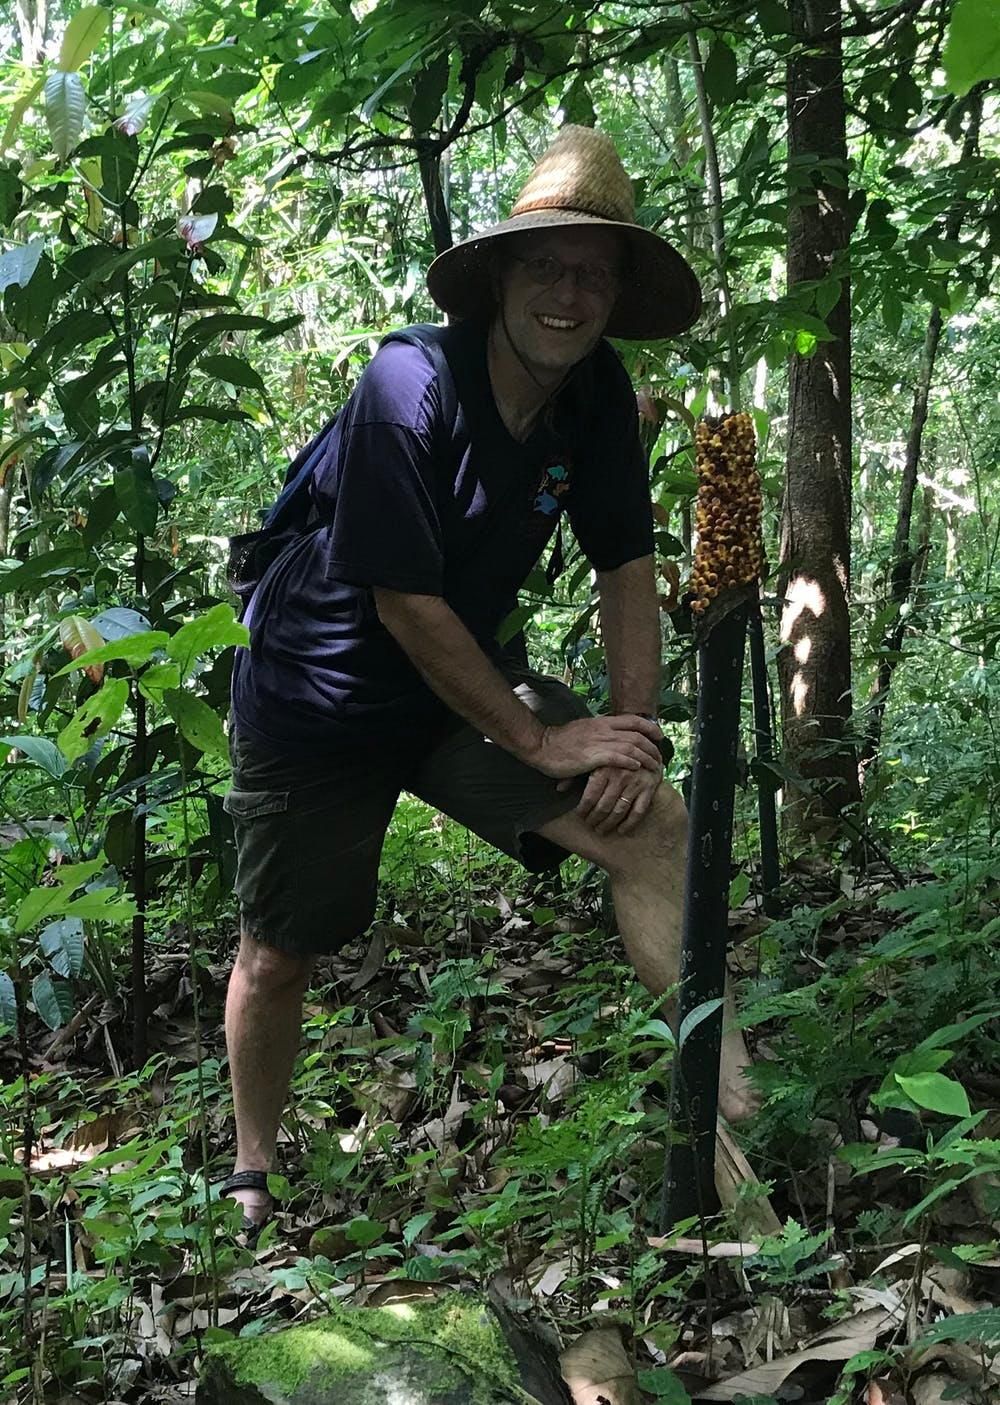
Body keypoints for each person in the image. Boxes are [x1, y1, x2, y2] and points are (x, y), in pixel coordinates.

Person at [221, 125, 757, 1235]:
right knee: (281, 950)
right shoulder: (406, 385)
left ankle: (733, 1119)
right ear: (500, 276)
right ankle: (252, 1170)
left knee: (650, 821)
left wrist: (628, 723)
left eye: (594, 274)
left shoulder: (597, 396)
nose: (570, 295)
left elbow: (625, 562)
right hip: (318, 697)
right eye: (549, 266)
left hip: (459, 687)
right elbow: (400, 601)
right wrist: (540, 740)